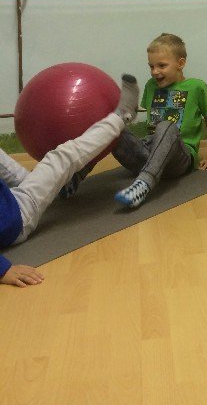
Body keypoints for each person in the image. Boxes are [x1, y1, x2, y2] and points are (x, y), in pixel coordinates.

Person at [1, 75, 139, 288]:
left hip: (7, 199)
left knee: (47, 175)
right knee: (62, 157)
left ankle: (52, 186)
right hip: (18, 214)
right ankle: (123, 115)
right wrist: (3, 270)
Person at [64, 33, 207, 209]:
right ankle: (76, 176)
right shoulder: (151, 86)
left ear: (181, 63)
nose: (155, 71)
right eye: (151, 66)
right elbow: (134, 115)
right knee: (113, 127)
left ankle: (144, 183)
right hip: (147, 155)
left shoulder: (197, 87)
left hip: (179, 160)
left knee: (166, 126)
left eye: (161, 65)